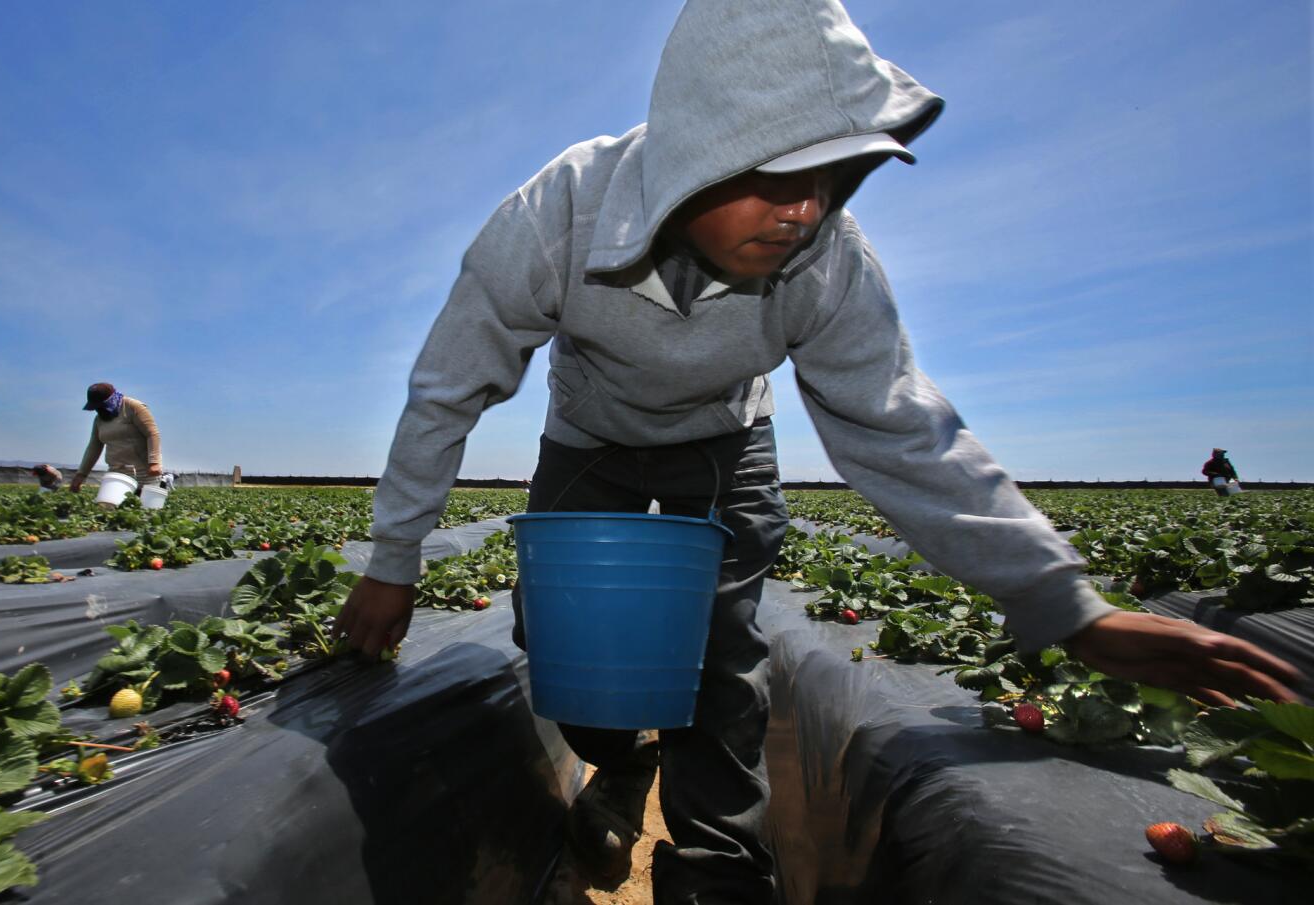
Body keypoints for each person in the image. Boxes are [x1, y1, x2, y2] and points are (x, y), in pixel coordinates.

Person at [331, 2, 1303, 900]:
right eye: (778, 173)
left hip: (726, 441)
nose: (807, 209)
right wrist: (392, 558)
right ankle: (618, 757)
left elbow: (901, 429)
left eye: (834, 176)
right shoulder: (562, 214)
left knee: (723, 661)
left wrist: (1072, 609)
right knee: (566, 649)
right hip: (590, 437)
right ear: (694, 151)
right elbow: (449, 383)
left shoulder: (828, 261)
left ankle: (717, 864)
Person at [67, 383, 163, 493]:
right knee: (109, 505)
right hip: (116, 472)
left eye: (100, 406)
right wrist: (81, 475)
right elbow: (94, 447)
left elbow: (152, 434)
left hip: (143, 472)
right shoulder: (99, 419)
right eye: (95, 407)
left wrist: (154, 463)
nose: (98, 410)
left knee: (144, 507)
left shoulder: (133, 407)